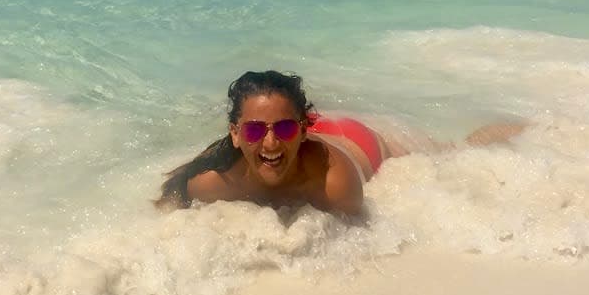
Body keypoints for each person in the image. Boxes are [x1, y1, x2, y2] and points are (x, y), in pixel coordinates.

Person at [156, 70, 524, 216]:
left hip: (363, 142)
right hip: (314, 131)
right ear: (235, 134)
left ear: (302, 128)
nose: (268, 142)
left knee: (459, 152)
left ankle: (521, 128)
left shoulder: (337, 186)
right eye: (253, 131)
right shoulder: (211, 182)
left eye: (283, 129)